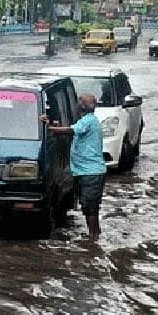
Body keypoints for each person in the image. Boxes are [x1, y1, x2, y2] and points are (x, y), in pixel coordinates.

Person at [44, 94, 106, 240]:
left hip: (91, 172)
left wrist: (50, 128)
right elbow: (71, 131)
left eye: (80, 102)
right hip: (85, 171)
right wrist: (57, 128)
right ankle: (95, 234)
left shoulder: (88, 121)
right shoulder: (85, 121)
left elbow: (70, 131)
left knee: (90, 206)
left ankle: (93, 238)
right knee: (88, 206)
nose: (77, 104)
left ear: (82, 106)